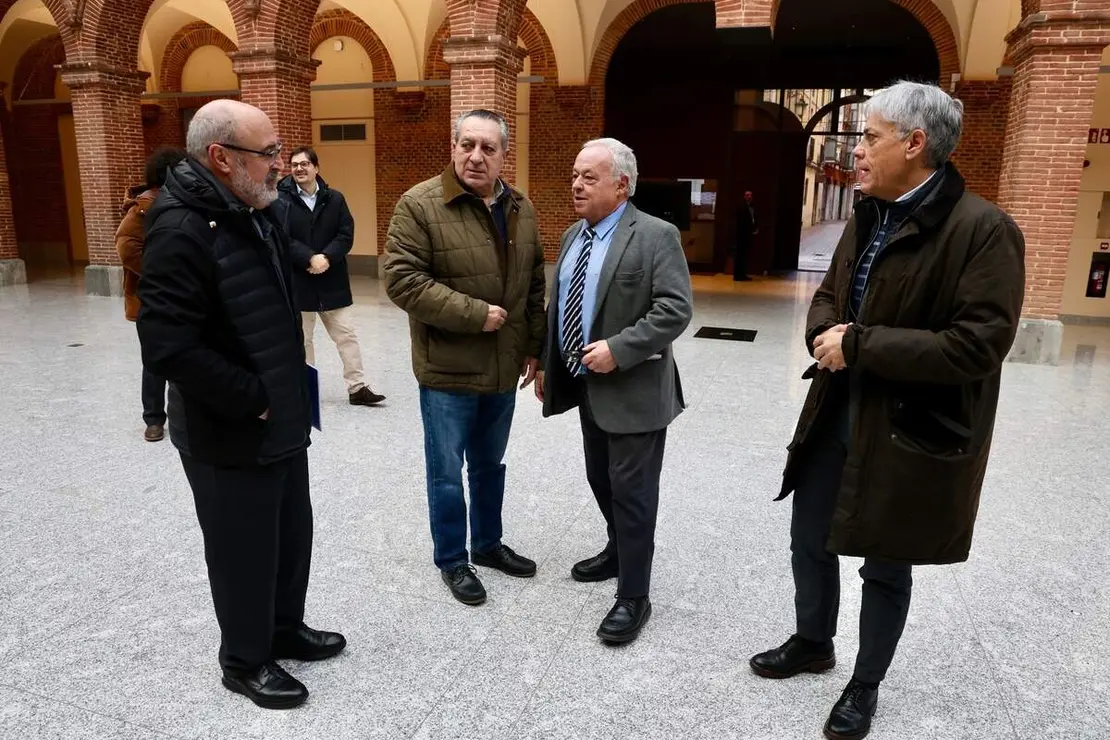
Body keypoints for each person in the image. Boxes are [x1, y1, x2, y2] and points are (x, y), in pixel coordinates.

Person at [748, 81, 1025, 740]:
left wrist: (860, 344)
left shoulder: (984, 231)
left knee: (886, 560)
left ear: (915, 142)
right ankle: (813, 640)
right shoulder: (867, 213)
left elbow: (978, 345)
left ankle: (865, 684)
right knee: (808, 536)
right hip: (835, 410)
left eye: (870, 136)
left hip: (908, 427)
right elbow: (829, 294)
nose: (860, 150)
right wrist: (826, 331)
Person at [137, 100, 345, 710]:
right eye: (268, 154)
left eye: (280, 152)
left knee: (288, 535)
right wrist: (251, 397)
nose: (279, 165)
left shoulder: (251, 210)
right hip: (230, 430)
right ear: (222, 158)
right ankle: (245, 661)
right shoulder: (179, 227)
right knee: (242, 550)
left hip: (279, 415)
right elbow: (167, 346)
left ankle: (283, 629)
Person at [383, 109, 546, 606]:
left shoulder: (522, 207)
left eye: (488, 148)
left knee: (490, 464)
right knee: (446, 471)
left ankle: (489, 544)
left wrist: (535, 348)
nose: (476, 156)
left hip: (502, 367)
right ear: (453, 148)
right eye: (468, 145)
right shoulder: (419, 204)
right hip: (447, 369)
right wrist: (476, 314)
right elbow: (402, 280)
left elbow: (535, 283)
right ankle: (454, 559)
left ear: (503, 156)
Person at [536, 138, 692, 643]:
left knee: (633, 494)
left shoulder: (655, 235)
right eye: (575, 175)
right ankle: (616, 550)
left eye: (589, 177)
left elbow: (674, 310)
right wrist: (546, 364)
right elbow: (560, 303)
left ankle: (634, 596)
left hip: (635, 392)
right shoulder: (571, 237)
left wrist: (619, 349)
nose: (576, 185)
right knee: (600, 479)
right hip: (587, 390)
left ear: (621, 185)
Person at [277, 146, 385, 406]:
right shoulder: (280, 201)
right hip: (299, 280)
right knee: (303, 340)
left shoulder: (335, 199)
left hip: (331, 279)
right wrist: (308, 257)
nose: (299, 169)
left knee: (346, 335)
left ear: (316, 168)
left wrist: (326, 257)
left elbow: (345, 234)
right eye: (294, 165)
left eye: (304, 164)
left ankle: (357, 388)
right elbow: (280, 236)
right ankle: (306, 391)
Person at [114, 146, 187, 442]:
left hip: (184, 297)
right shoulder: (142, 208)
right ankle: (154, 418)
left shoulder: (180, 202)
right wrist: (162, 275)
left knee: (186, 354)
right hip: (153, 299)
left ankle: (185, 412)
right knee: (155, 359)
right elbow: (126, 247)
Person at [733, 190, 757, 281]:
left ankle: (743, 274)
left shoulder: (751, 206)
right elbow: (741, 221)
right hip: (742, 235)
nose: (749, 197)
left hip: (748, 235)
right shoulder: (741, 206)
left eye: (750, 195)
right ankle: (738, 275)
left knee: (745, 255)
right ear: (744, 196)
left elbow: (753, 218)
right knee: (740, 255)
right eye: (747, 195)